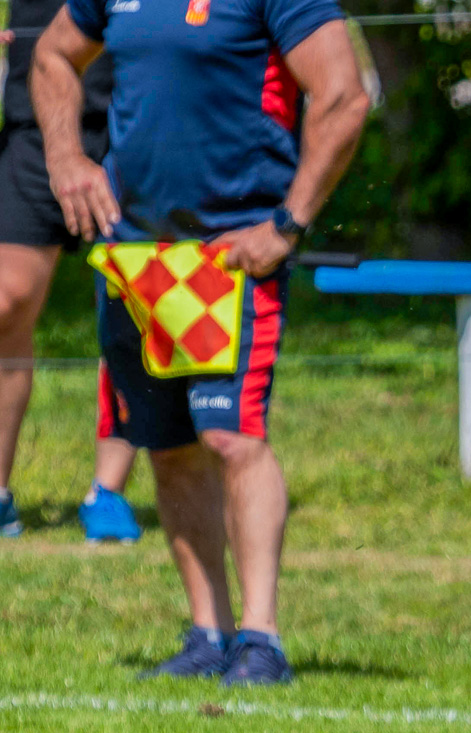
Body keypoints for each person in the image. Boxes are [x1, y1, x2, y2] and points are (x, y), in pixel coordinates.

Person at [32, 0, 369, 683]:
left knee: (232, 437)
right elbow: (51, 55)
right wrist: (66, 157)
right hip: (136, 256)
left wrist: (286, 224)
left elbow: (343, 95)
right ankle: (209, 634)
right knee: (168, 445)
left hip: (233, 256)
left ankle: (261, 640)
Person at [0, 18, 139, 542]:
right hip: (34, 119)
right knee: (6, 301)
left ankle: (109, 490)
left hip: (138, 116)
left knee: (136, 307)